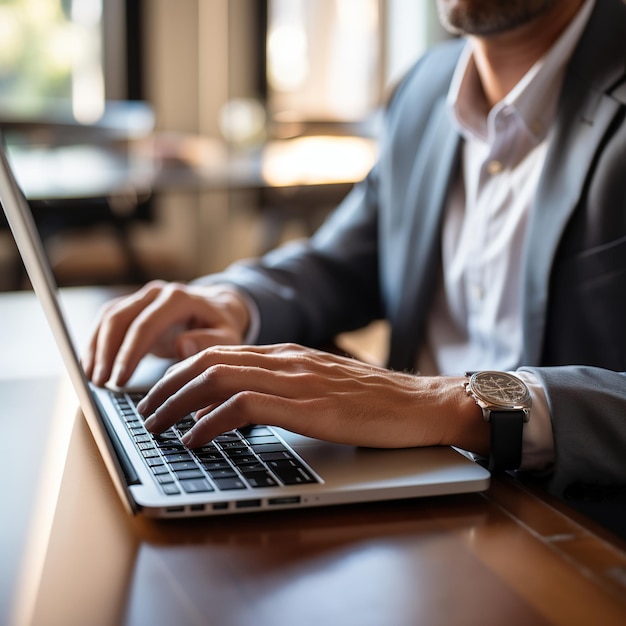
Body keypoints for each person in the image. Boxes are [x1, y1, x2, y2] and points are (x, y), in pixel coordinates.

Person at [84, 0, 626, 533]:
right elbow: (348, 258)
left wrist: (450, 405)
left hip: (569, 527)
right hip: (410, 494)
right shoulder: (426, 85)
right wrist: (235, 301)